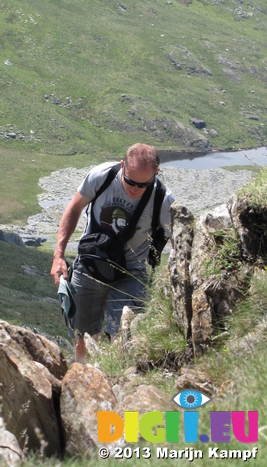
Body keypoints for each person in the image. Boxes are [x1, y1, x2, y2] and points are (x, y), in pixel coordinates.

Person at [51, 143, 175, 362]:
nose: (135, 189)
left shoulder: (163, 200)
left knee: (123, 337)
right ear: (122, 166)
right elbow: (74, 207)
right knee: (81, 336)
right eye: (129, 181)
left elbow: (178, 239)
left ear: (156, 173)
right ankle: (84, 377)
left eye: (143, 184)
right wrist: (58, 255)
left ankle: (117, 380)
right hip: (91, 265)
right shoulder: (102, 176)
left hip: (133, 273)